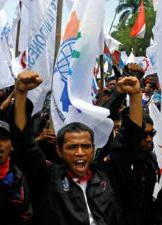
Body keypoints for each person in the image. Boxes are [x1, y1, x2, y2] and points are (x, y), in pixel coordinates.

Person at [10, 70, 147, 225]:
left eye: (85, 146)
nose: (80, 153)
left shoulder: (108, 174)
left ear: (93, 149)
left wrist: (136, 95)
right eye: (73, 147)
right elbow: (24, 143)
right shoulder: (48, 178)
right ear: (59, 151)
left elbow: (130, 140)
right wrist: (20, 93)